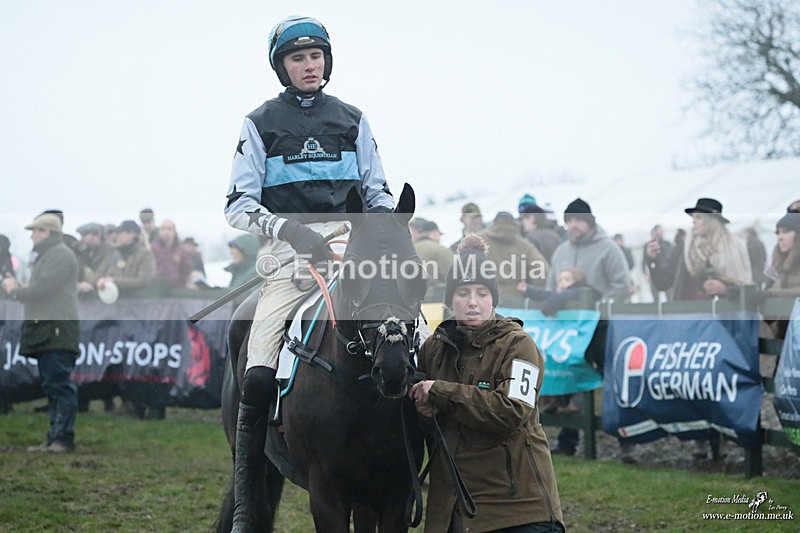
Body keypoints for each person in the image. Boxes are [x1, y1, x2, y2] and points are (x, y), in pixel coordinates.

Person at [222, 15, 395, 530]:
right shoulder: (259, 123)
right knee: (256, 372)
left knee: (415, 345)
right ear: (282, 66)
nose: (309, 65)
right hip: (289, 259)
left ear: (327, 61)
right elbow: (237, 205)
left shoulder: (352, 119)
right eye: (297, 58)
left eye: (315, 56)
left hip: (352, 250)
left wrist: (380, 228)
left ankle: (424, 471)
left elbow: (377, 191)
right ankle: (248, 506)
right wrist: (294, 233)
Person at [409, 234, 564, 533]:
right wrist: (424, 412)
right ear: (449, 298)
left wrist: (440, 392)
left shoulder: (518, 346)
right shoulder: (433, 350)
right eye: (463, 293)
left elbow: (511, 411)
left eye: (482, 292)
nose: (472, 302)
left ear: (493, 298)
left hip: (519, 513)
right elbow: (434, 427)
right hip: (454, 512)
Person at [547, 198, 632, 458]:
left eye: (578, 220)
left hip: (603, 328)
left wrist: (599, 306)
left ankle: (625, 441)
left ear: (590, 221)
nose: (573, 225)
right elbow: (552, 285)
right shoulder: (561, 251)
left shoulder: (608, 249)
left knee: (613, 381)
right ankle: (568, 441)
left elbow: (622, 285)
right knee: (571, 378)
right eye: (569, 220)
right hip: (571, 330)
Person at [1, 214, 79, 453]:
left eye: (35, 231)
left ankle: (62, 438)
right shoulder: (50, 255)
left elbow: (44, 288)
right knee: (53, 385)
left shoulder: (60, 255)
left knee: (59, 385)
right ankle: (54, 436)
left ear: (47, 232)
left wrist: (15, 291)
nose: (32, 236)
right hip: (51, 330)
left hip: (57, 331)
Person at [646, 198, 752, 302]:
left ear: (711, 221)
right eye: (693, 217)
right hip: (690, 315)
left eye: (699, 217)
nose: (693, 222)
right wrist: (653, 259)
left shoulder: (733, 248)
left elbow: (746, 288)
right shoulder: (684, 247)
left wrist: (725, 289)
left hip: (724, 315)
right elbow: (662, 283)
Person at [479, 211, 549, 308]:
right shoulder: (523, 245)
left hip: (484, 297)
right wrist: (537, 291)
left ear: (494, 223)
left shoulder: (478, 239)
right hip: (515, 298)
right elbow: (542, 269)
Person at [96, 220, 156, 297]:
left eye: (120, 233)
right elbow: (101, 273)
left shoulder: (145, 254)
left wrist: (114, 281)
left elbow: (143, 280)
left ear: (131, 235)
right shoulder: (114, 254)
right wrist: (101, 280)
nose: (117, 236)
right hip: (116, 299)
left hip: (139, 300)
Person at [410, 217, 452, 300]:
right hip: (435, 301)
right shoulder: (441, 250)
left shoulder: (407, 251)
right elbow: (455, 276)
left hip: (411, 302)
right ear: (435, 233)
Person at [150, 219, 193, 290]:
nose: (166, 232)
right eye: (163, 229)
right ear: (159, 232)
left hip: (177, 290)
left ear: (174, 232)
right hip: (156, 290)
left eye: (169, 229)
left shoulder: (181, 250)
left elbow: (186, 271)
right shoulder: (152, 248)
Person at [518, 196, 562, 263]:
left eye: (525, 218)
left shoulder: (532, 238)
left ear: (533, 218)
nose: (523, 222)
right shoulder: (555, 235)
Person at [75, 222, 115, 296]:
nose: (82, 239)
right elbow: (77, 269)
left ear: (97, 236)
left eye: (84, 235)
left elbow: (103, 269)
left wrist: (90, 283)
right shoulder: (80, 250)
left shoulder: (109, 250)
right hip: (82, 290)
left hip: (102, 290)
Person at [225, 233, 260, 306]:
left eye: (235, 248)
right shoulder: (239, 272)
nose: (231, 252)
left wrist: (215, 292)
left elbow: (248, 297)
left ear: (247, 251)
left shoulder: (258, 272)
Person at [641, 225, 672, 301]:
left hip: (667, 274)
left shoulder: (667, 244)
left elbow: (671, 259)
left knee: (670, 297)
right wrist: (646, 274)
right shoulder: (648, 245)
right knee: (655, 298)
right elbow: (644, 261)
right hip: (654, 273)